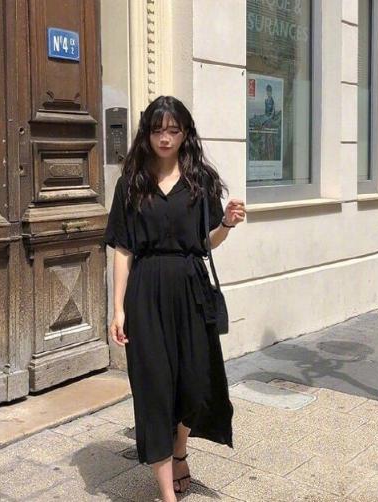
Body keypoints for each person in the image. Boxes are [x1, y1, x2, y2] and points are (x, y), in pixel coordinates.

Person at [103, 95, 246, 502]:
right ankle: (167, 493)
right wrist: (118, 309)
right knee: (154, 389)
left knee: (196, 384)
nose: (165, 138)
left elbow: (205, 242)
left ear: (185, 134)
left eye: (173, 130)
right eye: (157, 130)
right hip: (146, 293)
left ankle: (180, 447)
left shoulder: (200, 181)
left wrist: (227, 224)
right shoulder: (131, 183)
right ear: (146, 134)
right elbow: (123, 249)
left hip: (190, 290)